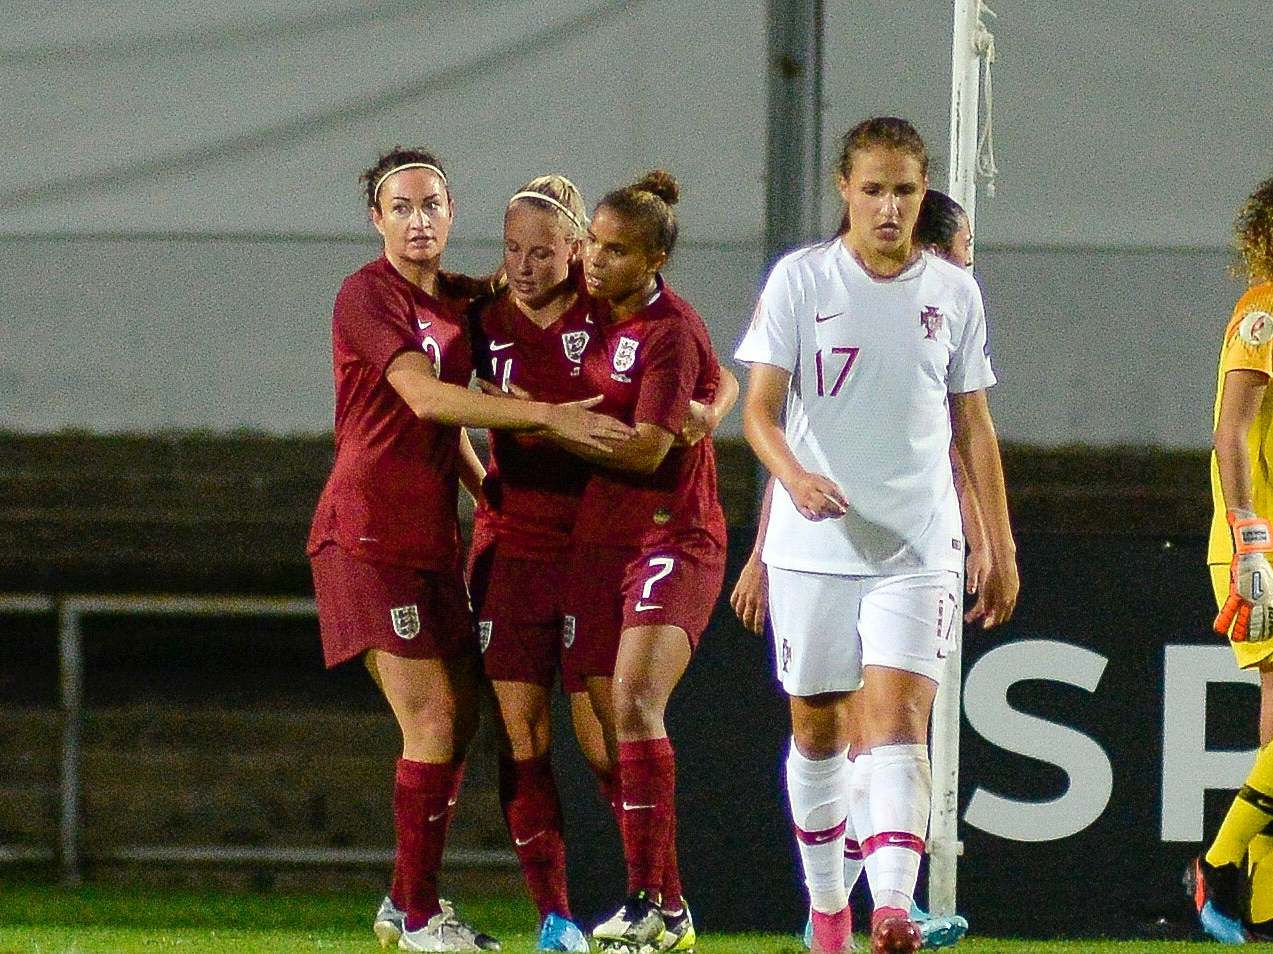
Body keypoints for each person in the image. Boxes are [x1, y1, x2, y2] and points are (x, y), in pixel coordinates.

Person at [306, 147, 633, 954]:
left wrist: (487, 485)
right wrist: (550, 419)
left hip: (429, 539)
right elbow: (421, 397)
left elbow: (551, 278)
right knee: (434, 718)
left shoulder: (459, 301)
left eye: (432, 205)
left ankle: (403, 902)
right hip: (365, 533)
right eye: (401, 207)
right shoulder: (366, 296)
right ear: (376, 220)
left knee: (456, 724)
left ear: (453, 216)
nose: (418, 220)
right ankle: (418, 918)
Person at [734, 118, 1018, 954]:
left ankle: (892, 907)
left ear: (920, 192)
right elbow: (757, 408)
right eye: (873, 190)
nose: (889, 206)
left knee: (898, 722)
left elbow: (973, 425)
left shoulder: (953, 294)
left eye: (904, 190)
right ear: (844, 191)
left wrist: (996, 543)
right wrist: (793, 476)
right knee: (818, 732)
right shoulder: (801, 282)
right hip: (812, 546)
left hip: (917, 548)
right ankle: (829, 912)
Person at [547, 170, 731, 952]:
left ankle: (644, 901)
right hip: (598, 537)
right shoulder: (587, 305)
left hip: (670, 532)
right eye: (592, 240)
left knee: (632, 701)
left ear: (653, 259)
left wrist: (532, 423)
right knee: (598, 740)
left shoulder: (669, 329)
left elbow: (650, 446)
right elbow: (724, 381)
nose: (595, 259)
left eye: (616, 250)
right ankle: (672, 907)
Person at [1190, 173, 1273, 945]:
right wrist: (1250, 533)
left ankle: (1262, 898)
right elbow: (1232, 429)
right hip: (1263, 546)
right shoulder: (1263, 312)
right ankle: (1218, 864)